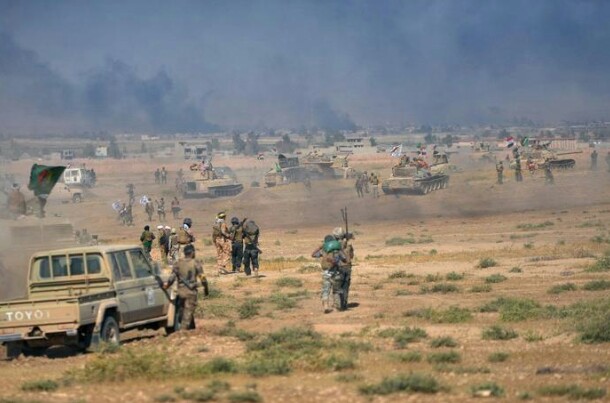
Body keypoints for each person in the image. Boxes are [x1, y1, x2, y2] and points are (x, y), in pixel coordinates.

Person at [163, 244, 206, 331]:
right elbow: (203, 278)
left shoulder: (178, 263)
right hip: (191, 293)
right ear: (192, 253)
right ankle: (183, 331)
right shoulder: (195, 263)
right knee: (188, 313)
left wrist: (166, 286)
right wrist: (206, 289)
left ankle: (192, 328)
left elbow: (172, 278)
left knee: (184, 310)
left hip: (181, 292)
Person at [312, 235, 347, 314]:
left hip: (326, 274)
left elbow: (313, 255)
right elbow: (345, 260)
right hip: (337, 273)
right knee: (336, 290)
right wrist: (341, 249)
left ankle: (326, 306)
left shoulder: (323, 251)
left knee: (326, 290)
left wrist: (320, 247)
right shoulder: (338, 251)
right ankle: (337, 307)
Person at [332, 227, 354, 311]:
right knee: (345, 286)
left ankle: (338, 305)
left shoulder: (334, 246)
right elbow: (351, 256)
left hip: (338, 267)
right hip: (347, 267)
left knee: (337, 286)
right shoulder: (349, 245)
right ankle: (344, 304)